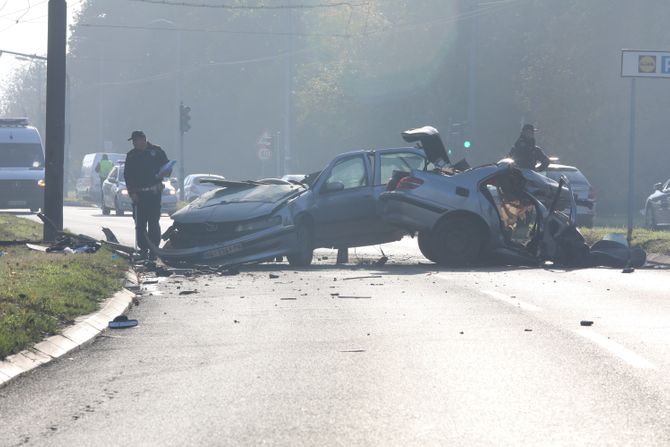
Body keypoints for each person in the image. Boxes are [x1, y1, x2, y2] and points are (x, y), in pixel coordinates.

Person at [123, 130, 171, 258]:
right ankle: (143, 249)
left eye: (136, 140)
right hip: (139, 195)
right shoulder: (132, 155)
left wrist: (165, 172)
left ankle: (154, 249)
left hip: (154, 193)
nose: (134, 143)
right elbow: (128, 176)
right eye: (133, 141)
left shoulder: (157, 151)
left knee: (154, 222)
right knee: (140, 224)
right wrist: (132, 193)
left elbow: (167, 168)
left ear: (143, 139)